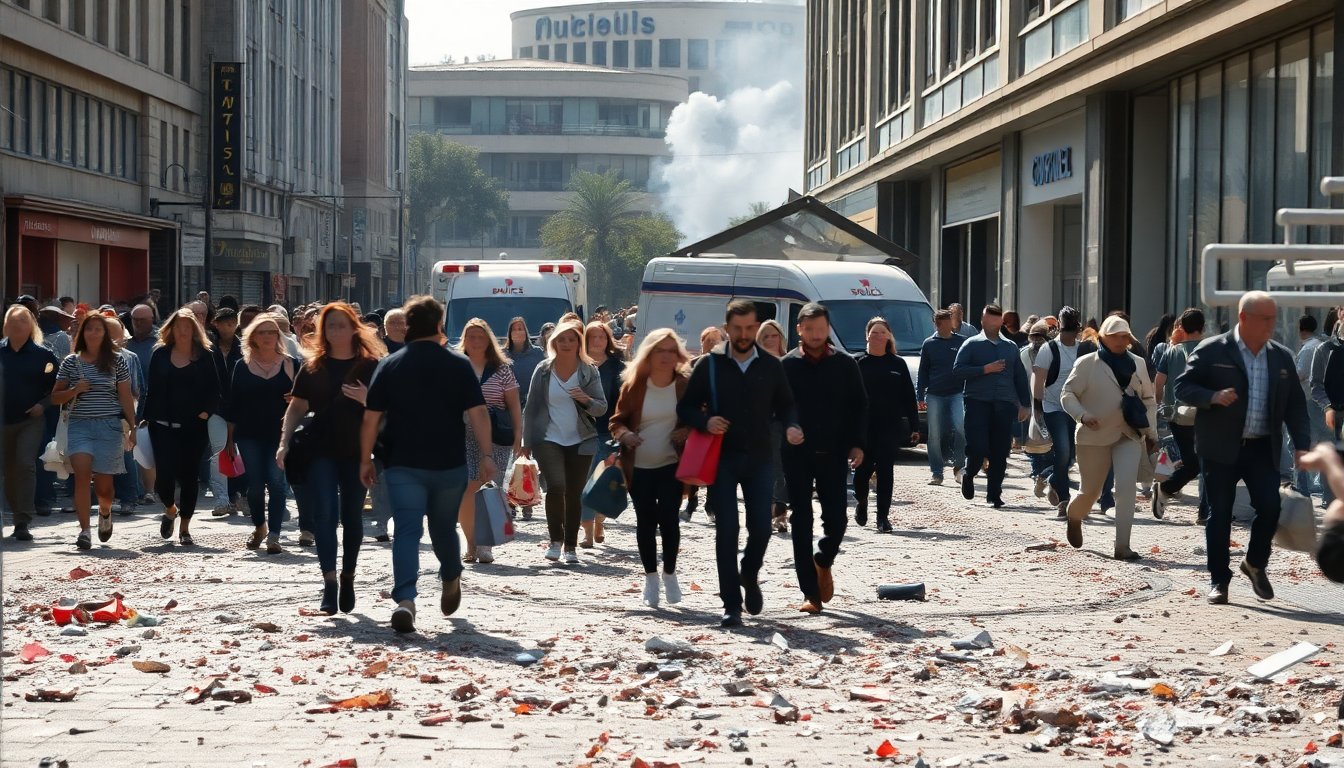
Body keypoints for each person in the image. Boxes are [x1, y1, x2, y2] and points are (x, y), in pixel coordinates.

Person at [361, 296, 493, 634]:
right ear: (439, 325)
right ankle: (451, 576)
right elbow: (478, 412)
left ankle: (406, 599)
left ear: (407, 326)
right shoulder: (458, 364)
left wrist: (365, 459)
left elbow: (371, 418)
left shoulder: (390, 365)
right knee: (443, 527)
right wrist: (488, 454)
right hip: (448, 464)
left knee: (406, 530)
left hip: (403, 462)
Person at [1174, 291, 1311, 605]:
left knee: (1270, 508)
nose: (1271, 324)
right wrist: (1211, 396)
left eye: (1273, 318)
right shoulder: (1212, 350)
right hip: (1219, 447)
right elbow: (1183, 386)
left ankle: (1254, 564)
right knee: (1219, 514)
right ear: (1244, 318)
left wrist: (1302, 446)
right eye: (1264, 318)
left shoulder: (1280, 357)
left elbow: (1295, 406)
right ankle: (1219, 581)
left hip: (1262, 448)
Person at [678, 300, 800, 627]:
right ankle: (731, 603)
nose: (744, 335)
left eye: (750, 328)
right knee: (726, 530)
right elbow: (686, 408)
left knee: (760, 527)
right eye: (738, 328)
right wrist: (705, 421)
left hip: (761, 458)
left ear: (756, 327)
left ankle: (749, 573)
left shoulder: (771, 366)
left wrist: (792, 425)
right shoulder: (710, 364)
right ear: (727, 327)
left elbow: (788, 405)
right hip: (723, 458)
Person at [278, 302, 384, 615]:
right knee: (324, 514)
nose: (335, 330)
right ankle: (329, 582)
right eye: (330, 326)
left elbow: (388, 410)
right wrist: (283, 442)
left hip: (357, 451)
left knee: (351, 516)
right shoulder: (313, 366)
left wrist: (369, 399)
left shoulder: (371, 365)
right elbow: (297, 407)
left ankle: (348, 575)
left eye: (341, 324)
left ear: (355, 328)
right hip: (320, 448)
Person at [779, 303, 866, 614]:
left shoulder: (845, 365)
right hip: (797, 455)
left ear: (828, 329)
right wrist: (787, 428)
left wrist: (857, 444)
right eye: (809, 329)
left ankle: (824, 559)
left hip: (834, 453)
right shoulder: (787, 365)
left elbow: (859, 407)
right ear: (799, 330)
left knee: (837, 520)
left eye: (821, 329)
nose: (816, 335)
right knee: (801, 518)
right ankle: (810, 593)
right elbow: (775, 408)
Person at [1061, 316, 1159, 560]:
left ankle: (1122, 546)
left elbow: (1148, 399)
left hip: (1129, 433)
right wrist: (1082, 415)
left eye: (1124, 335)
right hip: (1093, 436)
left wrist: (1151, 433)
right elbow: (1068, 394)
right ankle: (1074, 517)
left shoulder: (1138, 363)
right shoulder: (1087, 363)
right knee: (1090, 493)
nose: (1120, 340)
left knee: (1126, 488)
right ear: (1102, 337)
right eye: (1114, 335)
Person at [609, 329, 692, 608]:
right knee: (645, 520)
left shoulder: (684, 384)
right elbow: (616, 421)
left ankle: (670, 573)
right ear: (649, 354)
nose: (667, 356)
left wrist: (687, 430)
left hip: (672, 463)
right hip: (639, 465)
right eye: (660, 350)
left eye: (671, 350)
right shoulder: (634, 385)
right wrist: (625, 435)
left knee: (669, 519)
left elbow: (698, 415)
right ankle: (651, 577)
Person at [519, 318, 608, 564]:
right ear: (553, 342)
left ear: (579, 343)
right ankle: (555, 541)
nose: (566, 344)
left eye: (571, 340)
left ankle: (571, 546)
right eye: (561, 339)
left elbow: (601, 408)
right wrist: (526, 440)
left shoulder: (589, 371)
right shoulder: (544, 370)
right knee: (556, 487)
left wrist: (585, 400)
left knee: (574, 492)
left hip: (582, 440)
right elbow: (532, 406)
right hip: (548, 438)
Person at [50, 312, 137, 550]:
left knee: (104, 487)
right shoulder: (71, 362)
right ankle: (84, 531)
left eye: (99, 329)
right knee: (81, 475)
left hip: (109, 426)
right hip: (79, 425)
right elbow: (55, 397)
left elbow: (126, 395)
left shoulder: (117, 361)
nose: (94, 332)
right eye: (89, 328)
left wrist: (133, 426)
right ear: (82, 333)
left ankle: (105, 512)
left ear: (105, 333)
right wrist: (74, 390)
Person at [141, 308, 221, 546]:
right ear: (171, 329)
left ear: (195, 329)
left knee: (189, 476)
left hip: (193, 427)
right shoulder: (160, 354)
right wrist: (143, 418)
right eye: (178, 326)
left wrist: (205, 413)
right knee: (164, 477)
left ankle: (185, 527)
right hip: (162, 424)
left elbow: (215, 388)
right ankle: (170, 508)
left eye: (188, 326)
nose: (183, 330)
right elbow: (151, 389)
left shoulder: (205, 355)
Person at [225, 313, 298, 554]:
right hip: (248, 434)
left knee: (277, 483)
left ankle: (274, 535)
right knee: (255, 486)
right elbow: (233, 404)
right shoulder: (241, 364)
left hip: (280, 434)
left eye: (272, 332)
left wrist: (295, 399)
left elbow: (303, 401)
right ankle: (260, 526)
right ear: (253, 336)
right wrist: (229, 438)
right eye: (262, 332)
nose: (267, 336)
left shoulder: (290, 364)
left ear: (279, 336)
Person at [455, 318, 522, 564]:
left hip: (496, 435)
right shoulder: (456, 365)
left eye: (480, 336)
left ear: (489, 340)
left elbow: (514, 404)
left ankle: (486, 544)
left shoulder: (501, 368)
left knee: (490, 487)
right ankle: (471, 542)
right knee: (468, 488)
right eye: (470, 336)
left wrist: (518, 434)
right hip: (463, 434)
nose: (475, 341)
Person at [953, 305, 1031, 508]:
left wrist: (1025, 404)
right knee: (977, 447)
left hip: (1004, 404)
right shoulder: (971, 344)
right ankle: (969, 474)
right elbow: (958, 370)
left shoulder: (1010, 347)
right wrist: (984, 369)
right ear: (982, 320)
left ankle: (994, 493)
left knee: (1000, 451)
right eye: (990, 319)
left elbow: (1020, 377)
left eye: (997, 319)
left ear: (1001, 322)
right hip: (977, 402)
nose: (993, 323)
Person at [853, 317, 919, 533]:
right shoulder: (857, 362)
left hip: (889, 427)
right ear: (867, 336)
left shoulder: (897, 364)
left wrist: (914, 425)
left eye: (882, 332)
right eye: (874, 332)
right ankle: (861, 502)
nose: (878, 336)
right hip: (863, 428)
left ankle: (883, 517)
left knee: (885, 471)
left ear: (889, 336)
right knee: (862, 473)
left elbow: (909, 397)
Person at [1031, 307, 1095, 517]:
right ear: (1058, 327)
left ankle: (1052, 479)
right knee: (1064, 451)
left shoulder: (1084, 350)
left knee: (1071, 457)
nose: (1070, 335)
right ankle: (1065, 500)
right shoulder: (1048, 350)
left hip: (1076, 408)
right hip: (1054, 407)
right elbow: (1038, 383)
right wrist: (1038, 412)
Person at [2, 306, 58, 541]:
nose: (17, 326)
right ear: (6, 326)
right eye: (13, 322)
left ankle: (23, 521)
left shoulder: (43, 356)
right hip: (2, 421)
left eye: (22, 322)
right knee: (7, 471)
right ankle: (15, 514)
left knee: (25, 465)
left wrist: (42, 405)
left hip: (30, 420)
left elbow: (56, 389)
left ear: (31, 326)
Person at [1152, 308, 1209, 523]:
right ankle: (1204, 513)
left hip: (1177, 416)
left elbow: (1158, 384)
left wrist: (1159, 406)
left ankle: (1166, 488)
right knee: (1207, 464)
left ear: (1181, 328)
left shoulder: (1170, 351)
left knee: (1193, 463)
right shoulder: (1208, 350)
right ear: (1202, 328)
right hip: (1205, 414)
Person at [580, 321, 626, 547]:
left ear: (608, 340)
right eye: (593, 337)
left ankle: (599, 520)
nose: (597, 341)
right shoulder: (578, 365)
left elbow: (623, 402)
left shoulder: (617, 367)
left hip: (608, 432)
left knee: (602, 481)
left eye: (602, 337)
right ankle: (587, 533)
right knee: (586, 482)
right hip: (581, 432)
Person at [918, 309, 966, 485]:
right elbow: (923, 370)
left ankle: (960, 467)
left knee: (961, 428)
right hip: (934, 394)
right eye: (940, 323)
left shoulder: (961, 342)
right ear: (936, 324)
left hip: (957, 393)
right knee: (934, 434)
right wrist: (920, 396)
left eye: (947, 322)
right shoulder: (929, 344)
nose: (944, 326)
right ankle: (937, 472)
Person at [685, 325, 729, 521]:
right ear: (701, 342)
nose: (711, 344)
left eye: (715, 340)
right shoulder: (691, 365)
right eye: (708, 340)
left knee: (714, 464)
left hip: (718, 423)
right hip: (696, 422)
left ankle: (711, 504)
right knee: (695, 461)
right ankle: (691, 501)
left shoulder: (727, 366)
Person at [755, 320, 790, 533]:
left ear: (781, 338)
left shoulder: (790, 362)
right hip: (758, 423)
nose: (769, 339)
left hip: (782, 423)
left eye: (773, 335)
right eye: (765, 336)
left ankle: (780, 513)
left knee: (780, 470)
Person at [210, 307, 246, 517]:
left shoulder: (244, 347)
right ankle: (221, 499)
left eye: (231, 323)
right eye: (224, 323)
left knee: (239, 451)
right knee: (218, 451)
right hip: (215, 407)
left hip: (241, 407)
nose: (228, 327)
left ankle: (239, 494)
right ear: (216, 324)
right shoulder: (208, 347)